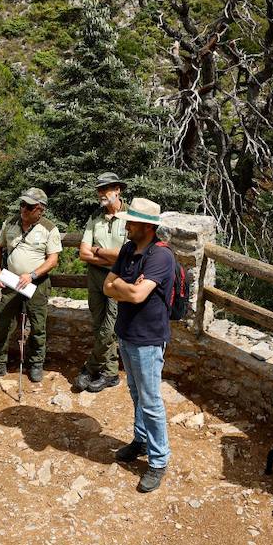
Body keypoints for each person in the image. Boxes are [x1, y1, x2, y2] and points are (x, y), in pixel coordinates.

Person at [104, 197, 177, 493]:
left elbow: (135, 295)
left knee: (150, 400)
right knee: (137, 393)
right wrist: (128, 287)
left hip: (148, 338)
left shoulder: (161, 257)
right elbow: (107, 286)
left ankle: (158, 461)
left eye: (131, 223)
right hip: (126, 333)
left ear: (147, 227)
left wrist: (123, 287)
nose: (127, 227)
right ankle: (142, 440)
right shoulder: (128, 249)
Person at [0, 188, 62, 386]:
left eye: (29, 206)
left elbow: (53, 260)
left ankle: (36, 364)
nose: (23, 209)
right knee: (4, 322)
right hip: (12, 281)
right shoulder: (10, 223)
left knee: (38, 325)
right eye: (22, 204)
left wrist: (32, 275)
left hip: (37, 283)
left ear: (40, 209)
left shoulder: (49, 229)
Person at [75, 172, 129, 393]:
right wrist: (109, 255)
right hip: (96, 276)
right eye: (99, 189)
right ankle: (109, 373)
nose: (101, 193)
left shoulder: (130, 217)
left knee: (109, 327)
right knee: (98, 324)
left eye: (105, 189)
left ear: (118, 190)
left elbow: (126, 256)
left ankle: (91, 367)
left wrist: (97, 251)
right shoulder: (95, 217)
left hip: (118, 277)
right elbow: (83, 253)